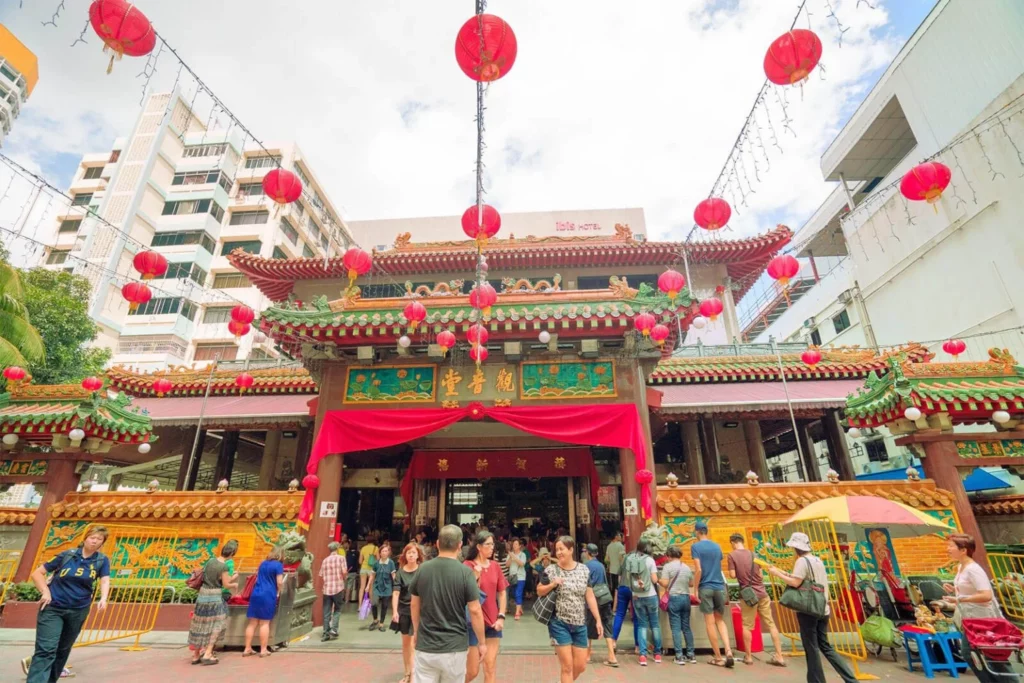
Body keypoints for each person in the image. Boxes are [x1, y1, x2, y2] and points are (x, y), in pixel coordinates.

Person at [25, 525, 110, 683]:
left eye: (99, 539)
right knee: (46, 649)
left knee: (62, 650)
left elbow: (105, 579)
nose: (95, 541)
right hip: (53, 608)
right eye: (92, 537)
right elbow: (37, 573)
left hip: (78, 610)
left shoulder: (101, 560)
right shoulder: (67, 555)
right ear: (84, 538)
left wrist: (103, 598)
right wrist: (45, 591)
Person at [767, 532, 856, 683]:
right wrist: (784, 573)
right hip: (822, 608)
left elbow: (795, 583)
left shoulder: (802, 561)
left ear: (796, 547)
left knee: (812, 648)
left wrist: (777, 574)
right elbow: (806, 580)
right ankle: (851, 679)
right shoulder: (817, 560)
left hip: (808, 611)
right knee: (826, 647)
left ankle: (816, 681)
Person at [409, 524, 486, 683]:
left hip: (426, 645)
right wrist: (482, 642)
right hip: (454, 647)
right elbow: (475, 610)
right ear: (460, 545)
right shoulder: (465, 573)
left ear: (437, 544)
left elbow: (414, 604)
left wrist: (416, 631)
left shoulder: (423, 569)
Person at [942, 533, 1011, 682]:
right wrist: (955, 591)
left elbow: (986, 595)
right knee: (971, 654)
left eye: (951, 546)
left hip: (984, 619)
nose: (947, 549)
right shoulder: (961, 567)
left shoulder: (973, 569)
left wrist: (960, 598)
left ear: (963, 550)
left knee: (992, 656)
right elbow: (970, 590)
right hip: (971, 620)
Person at [537, 536, 603, 683]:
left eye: (562, 549)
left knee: (580, 665)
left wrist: (598, 619)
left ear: (571, 549)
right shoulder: (551, 570)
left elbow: (590, 595)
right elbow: (539, 591)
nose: (559, 552)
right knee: (567, 667)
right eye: (557, 549)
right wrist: (552, 584)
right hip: (559, 623)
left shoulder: (584, 570)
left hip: (580, 623)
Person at [727, 533, 785, 667]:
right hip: (762, 593)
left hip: (748, 596)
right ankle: (779, 656)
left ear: (733, 542)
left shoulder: (732, 555)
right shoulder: (754, 555)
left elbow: (732, 574)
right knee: (771, 624)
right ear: (742, 541)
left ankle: (748, 657)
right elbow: (760, 573)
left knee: (747, 626)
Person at [464, 530, 507, 683]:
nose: (492, 547)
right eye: (488, 544)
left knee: (490, 667)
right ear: (479, 547)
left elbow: (502, 593)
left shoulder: (495, 566)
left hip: (493, 623)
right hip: (473, 624)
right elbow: (467, 594)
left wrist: (501, 616)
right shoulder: (468, 566)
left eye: (492, 544)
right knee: (472, 671)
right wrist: (476, 577)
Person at [187, 540, 238, 665]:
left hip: (203, 594)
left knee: (200, 623)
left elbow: (205, 576)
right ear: (232, 553)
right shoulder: (224, 566)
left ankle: (196, 654)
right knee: (217, 624)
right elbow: (226, 584)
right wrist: (235, 582)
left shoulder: (210, 561)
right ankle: (208, 653)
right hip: (215, 596)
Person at [691, 521, 734, 668]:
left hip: (706, 587)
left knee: (709, 623)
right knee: (720, 620)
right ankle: (728, 651)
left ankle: (717, 656)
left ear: (697, 532)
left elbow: (699, 570)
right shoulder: (717, 546)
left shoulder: (695, 547)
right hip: (719, 586)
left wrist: (695, 589)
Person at [622, 538, 661, 665]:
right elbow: (655, 580)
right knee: (654, 624)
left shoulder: (630, 559)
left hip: (636, 596)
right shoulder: (650, 560)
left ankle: (643, 655)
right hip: (650, 595)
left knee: (641, 625)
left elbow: (627, 577)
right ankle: (657, 654)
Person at [243, 548, 285, 658]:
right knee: (264, 623)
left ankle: (247, 648)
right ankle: (263, 650)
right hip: (268, 594)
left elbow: (257, 578)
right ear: (280, 555)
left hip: (256, 593)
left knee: (252, 623)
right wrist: (280, 591)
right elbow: (279, 582)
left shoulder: (262, 563)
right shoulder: (278, 565)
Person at [581, 543, 618, 668]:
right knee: (607, 626)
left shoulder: (586, 566)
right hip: (605, 598)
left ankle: (587, 655)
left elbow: (584, 585)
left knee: (588, 626)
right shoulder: (601, 565)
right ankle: (612, 656)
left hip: (593, 600)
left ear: (588, 553)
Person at [392, 542, 424, 683]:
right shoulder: (400, 572)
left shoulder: (422, 570)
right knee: (406, 643)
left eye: (414, 553)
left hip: (420, 611)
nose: (411, 555)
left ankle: (415, 673)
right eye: (409, 552)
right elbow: (396, 593)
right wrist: (394, 611)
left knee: (415, 643)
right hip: (404, 610)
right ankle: (408, 672)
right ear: (405, 555)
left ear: (418, 555)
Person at [659, 545, 696, 665]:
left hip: (674, 598)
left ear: (669, 556)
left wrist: (657, 579)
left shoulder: (667, 567)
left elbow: (664, 583)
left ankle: (679, 656)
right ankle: (691, 654)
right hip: (686, 598)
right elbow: (691, 584)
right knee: (686, 627)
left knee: (675, 628)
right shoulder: (686, 567)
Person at [319, 541, 347, 641]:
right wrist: (344, 578)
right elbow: (344, 572)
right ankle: (334, 629)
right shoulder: (341, 558)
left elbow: (321, 575)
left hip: (327, 589)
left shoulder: (325, 560)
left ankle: (325, 633)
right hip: (338, 587)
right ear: (337, 548)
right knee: (338, 609)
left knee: (326, 611)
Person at [370, 544, 396, 632]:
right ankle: (375, 620)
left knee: (385, 605)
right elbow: (372, 575)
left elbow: (393, 575)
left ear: (388, 552)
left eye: (386, 551)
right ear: (380, 553)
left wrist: (396, 585)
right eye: (383, 551)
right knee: (374, 603)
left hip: (387, 587)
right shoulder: (376, 563)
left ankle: (381, 623)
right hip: (377, 586)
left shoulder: (391, 563)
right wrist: (367, 586)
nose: (384, 553)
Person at [507, 538, 527, 620]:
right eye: (513, 544)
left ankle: (517, 612)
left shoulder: (523, 555)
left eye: (516, 544)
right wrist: (511, 557)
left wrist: (514, 557)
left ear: (519, 546)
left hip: (520, 576)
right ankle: (520, 608)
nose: (514, 546)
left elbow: (522, 564)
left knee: (518, 593)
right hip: (512, 577)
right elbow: (507, 565)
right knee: (515, 594)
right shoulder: (510, 554)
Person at [358, 532, 380, 608]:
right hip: (371, 570)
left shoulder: (363, 548)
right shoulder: (376, 548)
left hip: (363, 569)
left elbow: (360, 561)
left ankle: (360, 606)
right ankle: (370, 605)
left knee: (362, 587)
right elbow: (378, 560)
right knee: (370, 587)